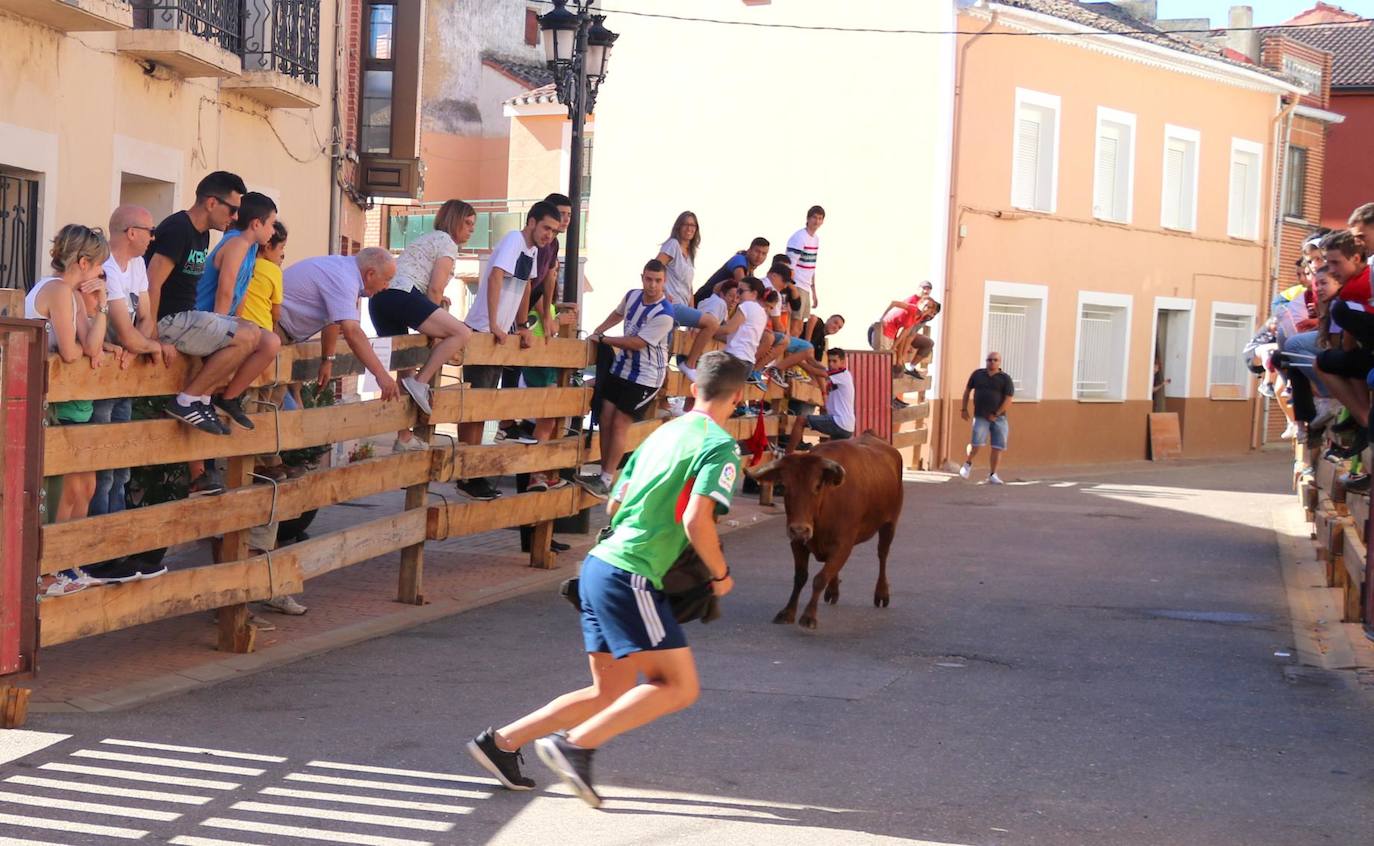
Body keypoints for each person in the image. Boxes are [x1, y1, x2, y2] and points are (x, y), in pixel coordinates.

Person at [467, 350, 745, 807]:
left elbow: (616, 503)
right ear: (736, 397)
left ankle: (500, 743)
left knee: (609, 690)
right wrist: (720, 574)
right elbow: (698, 519)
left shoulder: (662, 434)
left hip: (600, 565)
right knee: (678, 686)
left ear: (694, 390)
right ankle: (573, 745)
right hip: (631, 573)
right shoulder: (718, 445)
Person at [145, 171, 270, 445]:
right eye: (233, 209)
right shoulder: (178, 228)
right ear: (212, 203)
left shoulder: (201, 235)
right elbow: (152, 283)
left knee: (252, 331)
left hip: (185, 318)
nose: (236, 217)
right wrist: (152, 336)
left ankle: (201, 399)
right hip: (167, 320)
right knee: (248, 335)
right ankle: (188, 400)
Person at [455, 201, 561, 501]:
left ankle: (472, 471)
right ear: (531, 223)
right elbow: (495, 276)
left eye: (554, 232)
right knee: (476, 406)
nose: (549, 236)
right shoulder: (515, 240)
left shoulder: (532, 250)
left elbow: (525, 288)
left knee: (484, 406)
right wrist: (493, 324)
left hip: (499, 335)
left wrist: (522, 325)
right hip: (483, 332)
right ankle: (468, 473)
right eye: (545, 228)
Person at [29, 225, 111, 597]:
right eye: (98, 269)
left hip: (54, 401)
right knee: (53, 492)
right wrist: (83, 346)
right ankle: (45, 574)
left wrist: (104, 306)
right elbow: (71, 351)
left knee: (74, 487)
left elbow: (92, 347)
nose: (98, 276)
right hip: (41, 402)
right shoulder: (58, 290)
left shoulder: (71, 296)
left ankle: (66, 567)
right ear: (83, 262)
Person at [369, 199, 478, 451]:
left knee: (404, 368)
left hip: (382, 299)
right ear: (454, 221)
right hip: (403, 295)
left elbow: (425, 281)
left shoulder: (427, 239)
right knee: (461, 332)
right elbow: (435, 287)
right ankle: (422, 381)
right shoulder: (447, 243)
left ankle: (404, 436)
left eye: (474, 225)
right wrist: (434, 322)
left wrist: (436, 304)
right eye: (468, 223)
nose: (472, 229)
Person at [576, 260, 677, 498]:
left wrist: (604, 339)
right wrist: (599, 330)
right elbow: (618, 313)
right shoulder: (632, 296)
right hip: (622, 368)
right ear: (642, 278)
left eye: (658, 281)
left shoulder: (665, 314)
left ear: (664, 282)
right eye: (649, 279)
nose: (652, 285)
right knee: (605, 417)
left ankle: (608, 478)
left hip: (646, 376)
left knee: (620, 423)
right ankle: (602, 475)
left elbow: (638, 342)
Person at [278, 248, 404, 404]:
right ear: (370, 274)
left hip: (282, 332)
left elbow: (334, 320)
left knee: (285, 403)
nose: (386, 286)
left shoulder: (344, 270)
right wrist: (381, 375)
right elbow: (352, 332)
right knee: (276, 406)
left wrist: (327, 360)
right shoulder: (346, 280)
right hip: (275, 329)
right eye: (387, 279)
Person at [657, 211, 721, 374]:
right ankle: (689, 363)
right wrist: (663, 291)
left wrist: (693, 311)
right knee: (711, 323)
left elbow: (689, 286)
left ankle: (664, 383)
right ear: (679, 227)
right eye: (686, 224)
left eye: (693, 225)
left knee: (667, 350)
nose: (689, 228)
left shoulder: (690, 252)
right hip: (672, 304)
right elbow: (656, 266)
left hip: (682, 304)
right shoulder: (673, 245)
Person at [959, 352, 1015, 485]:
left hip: (999, 418)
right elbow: (967, 391)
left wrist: (996, 414)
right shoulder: (978, 374)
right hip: (980, 416)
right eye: (989, 360)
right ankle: (968, 463)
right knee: (976, 444)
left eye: (995, 360)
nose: (992, 362)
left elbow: (1008, 399)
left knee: (997, 446)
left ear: (999, 362)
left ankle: (993, 474)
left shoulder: (1005, 378)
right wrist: (964, 408)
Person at [786, 347, 854, 451]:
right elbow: (815, 365)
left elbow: (813, 370)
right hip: (847, 426)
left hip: (839, 422)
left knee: (801, 420)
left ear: (842, 362)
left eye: (834, 361)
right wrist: (805, 355)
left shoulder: (841, 374)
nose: (831, 364)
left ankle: (787, 455)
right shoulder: (838, 373)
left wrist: (795, 359)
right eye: (829, 361)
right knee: (827, 453)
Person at [691, 237, 769, 306]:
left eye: (764, 254)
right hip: (703, 302)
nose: (759, 256)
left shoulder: (750, 274)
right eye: (757, 251)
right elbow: (742, 283)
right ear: (749, 251)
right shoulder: (739, 259)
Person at [785, 205, 824, 337]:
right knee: (794, 325)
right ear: (808, 218)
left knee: (799, 326)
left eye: (820, 218)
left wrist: (814, 292)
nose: (817, 221)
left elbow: (812, 266)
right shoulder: (799, 237)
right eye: (814, 217)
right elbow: (789, 265)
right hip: (797, 284)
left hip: (806, 286)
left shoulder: (815, 239)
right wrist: (790, 288)